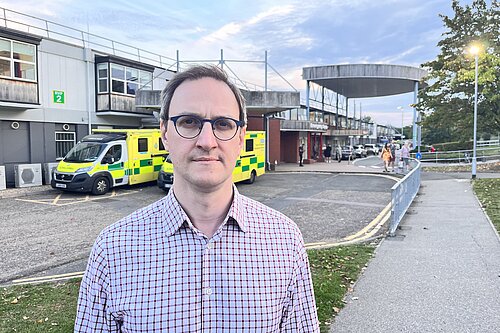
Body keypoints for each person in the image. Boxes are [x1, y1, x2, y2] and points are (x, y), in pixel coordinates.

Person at [75, 65, 320, 332]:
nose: (207, 141)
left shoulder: (284, 239)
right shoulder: (113, 249)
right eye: (189, 122)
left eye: (223, 124)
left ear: (240, 137)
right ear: (165, 133)